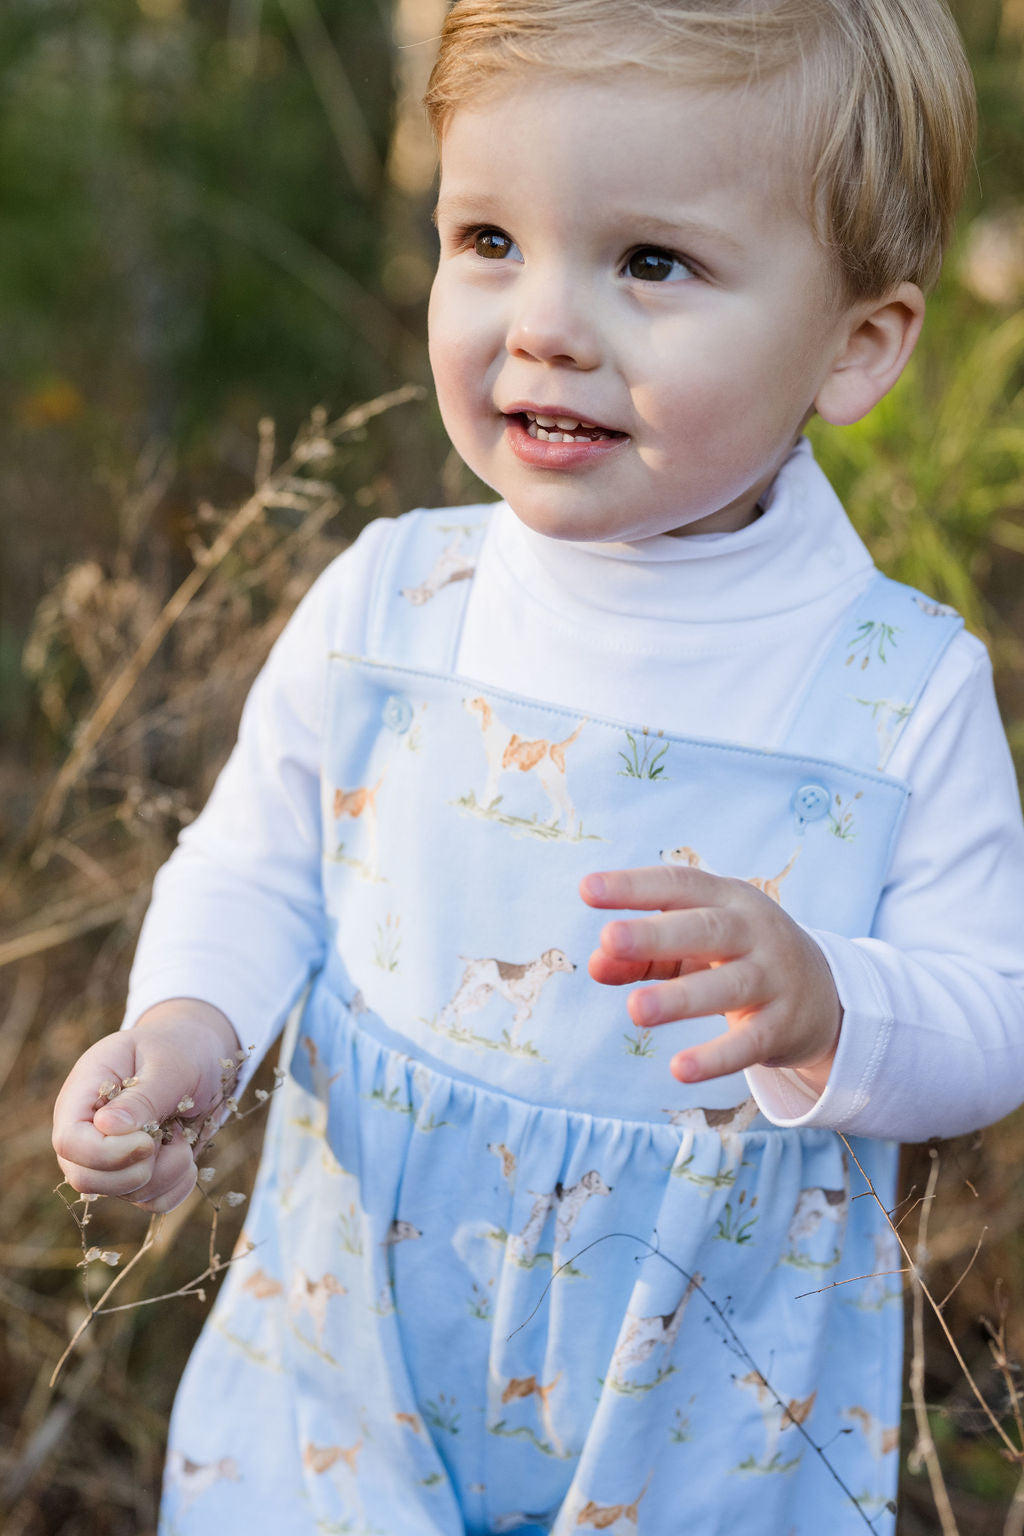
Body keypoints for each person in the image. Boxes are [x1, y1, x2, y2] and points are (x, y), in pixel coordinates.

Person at [52, 1, 1024, 1531]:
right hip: (349, 1353)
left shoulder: (897, 694)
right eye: (489, 238)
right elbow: (254, 867)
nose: (545, 321)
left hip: (705, 1411)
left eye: (651, 262)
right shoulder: (393, 605)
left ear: (856, 346)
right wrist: (186, 1035)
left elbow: (996, 1005)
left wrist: (835, 1001)